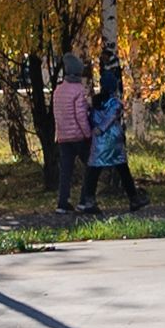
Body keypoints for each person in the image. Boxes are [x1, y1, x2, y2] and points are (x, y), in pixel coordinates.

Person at [86, 67, 148, 213]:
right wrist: (102, 128)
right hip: (113, 141)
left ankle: (89, 201)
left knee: (94, 170)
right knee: (122, 169)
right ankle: (133, 199)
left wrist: (95, 129)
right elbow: (111, 117)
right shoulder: (115, 103)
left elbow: (91, 118)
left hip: (98, 142)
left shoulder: (96, 102)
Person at [47, 59, 93, 213]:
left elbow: (57, 114)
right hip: (78, 137)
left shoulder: (58, 90)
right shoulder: (78, 90)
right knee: (91, 165)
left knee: (65, 171)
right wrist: (87, 133)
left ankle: (62, 203)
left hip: (63, 136)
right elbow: (80, 116)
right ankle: (84, 201)